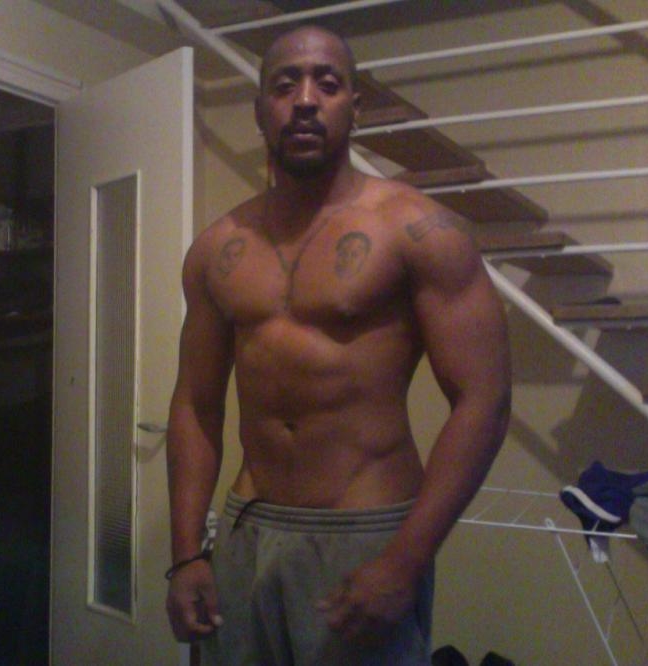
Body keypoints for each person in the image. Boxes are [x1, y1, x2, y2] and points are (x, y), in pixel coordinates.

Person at [165, 24, 511, 665]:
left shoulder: (419, 231)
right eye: (284, 84)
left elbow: (483, 401)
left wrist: (406, 560)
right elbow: (195, 402)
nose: (305, 99)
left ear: (355, 106)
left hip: (365, 534)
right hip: (248, 528)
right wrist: (186, 554)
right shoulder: (216, 249)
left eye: (327, 83)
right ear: (260, 110)